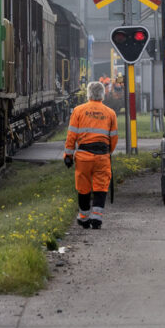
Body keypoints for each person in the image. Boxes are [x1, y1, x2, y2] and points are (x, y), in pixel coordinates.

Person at [64, 80, 119, 229]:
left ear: (88, 94)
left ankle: (83, 218)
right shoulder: (110, 113)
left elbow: (71, 136)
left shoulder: (78, 111)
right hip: (102, 156)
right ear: (102, 95)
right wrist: (108, 153)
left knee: (83, 188)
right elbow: (113, 138)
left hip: (84, 157)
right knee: (101, 187)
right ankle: (97, 219)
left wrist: (68, 156)